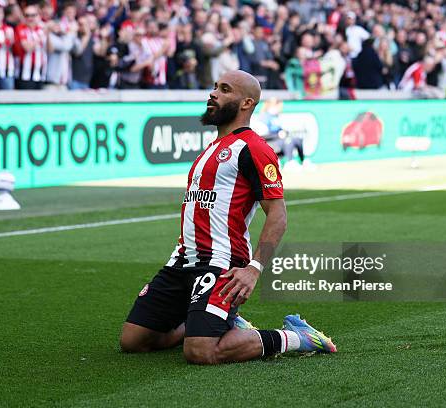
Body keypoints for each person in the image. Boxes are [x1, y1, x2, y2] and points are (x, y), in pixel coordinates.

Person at [120, 70, 337, 365]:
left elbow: (278, 214)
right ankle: (215, 320)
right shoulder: (211, 149)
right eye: (214, 87)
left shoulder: (254, 148)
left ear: (247, 103)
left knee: (201, 352)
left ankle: (298, 337)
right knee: (133, 341)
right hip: (182, 260)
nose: (213, 94)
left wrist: (254, 268)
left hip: (220, 262)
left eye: (224, 89)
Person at [14, 4, 46, 90]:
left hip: (39, 72)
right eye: (27, 15)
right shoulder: (20, 28)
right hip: (25, 72)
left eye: (33, 15)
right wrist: (40, 36)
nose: (30, 18)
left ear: (38, 16)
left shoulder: (41, 29)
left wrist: (48, 33)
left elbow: (50, 49)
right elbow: (27, 48)